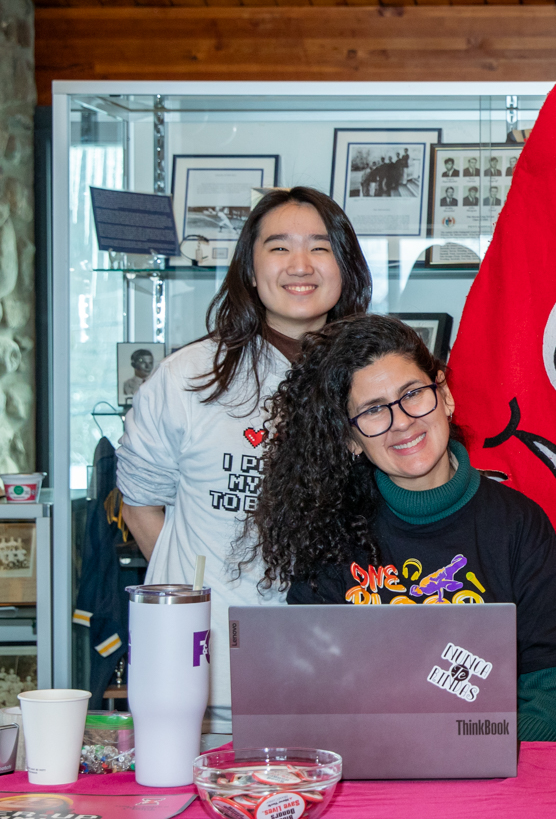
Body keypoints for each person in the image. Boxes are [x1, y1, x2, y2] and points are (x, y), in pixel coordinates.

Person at [248, 315, 556, 741]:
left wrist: (489, 750)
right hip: (372, 776)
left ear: (444, 395)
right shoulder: (330, 533)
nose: (402, 421)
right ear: (351, 439)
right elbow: (310, 694)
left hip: (498, 780)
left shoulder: (518, 523)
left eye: (412, 394)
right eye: (373, 410)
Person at [117, 187, 372, 733]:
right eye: (279, 248)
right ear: (250, 270)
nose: (300, 266)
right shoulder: (189, 378)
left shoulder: (373, 380)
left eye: (321, 248)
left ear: (345, 267)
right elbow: (140, 506)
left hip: (339, 669)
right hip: (205, 685)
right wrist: (197, 599)